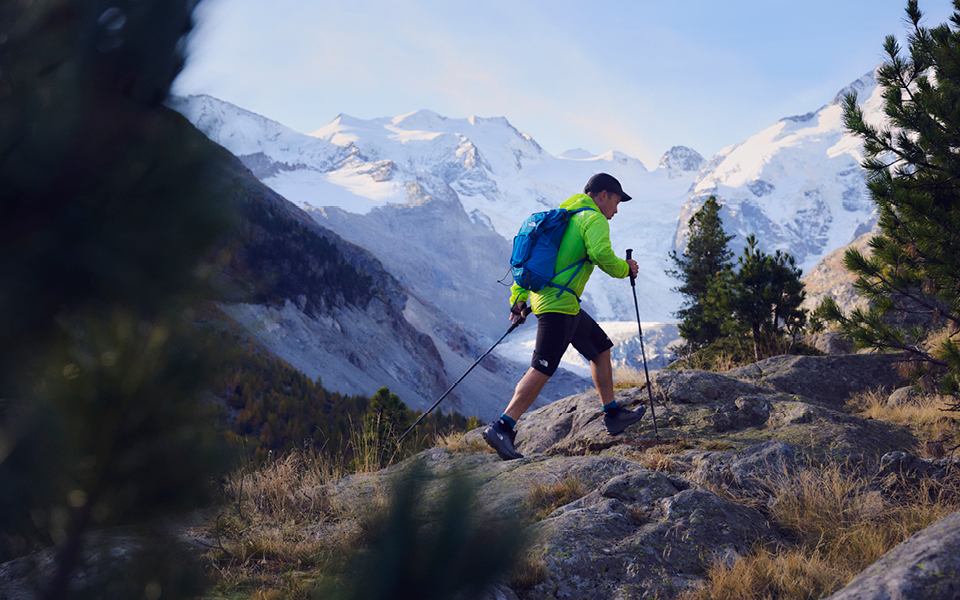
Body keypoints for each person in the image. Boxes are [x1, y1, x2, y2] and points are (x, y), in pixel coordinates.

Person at [483, 173, 644, 461]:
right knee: (542, 367)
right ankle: (502, 428)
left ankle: (613, 414)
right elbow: (601, 254)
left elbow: (529, 261)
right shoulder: (592, 219)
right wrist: (626, 268)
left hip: (557, 302)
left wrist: (518, 301)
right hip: (559, 305)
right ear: (603, 195)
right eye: (617, 202)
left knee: (600, 348)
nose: (616, 211)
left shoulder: (562, 217)